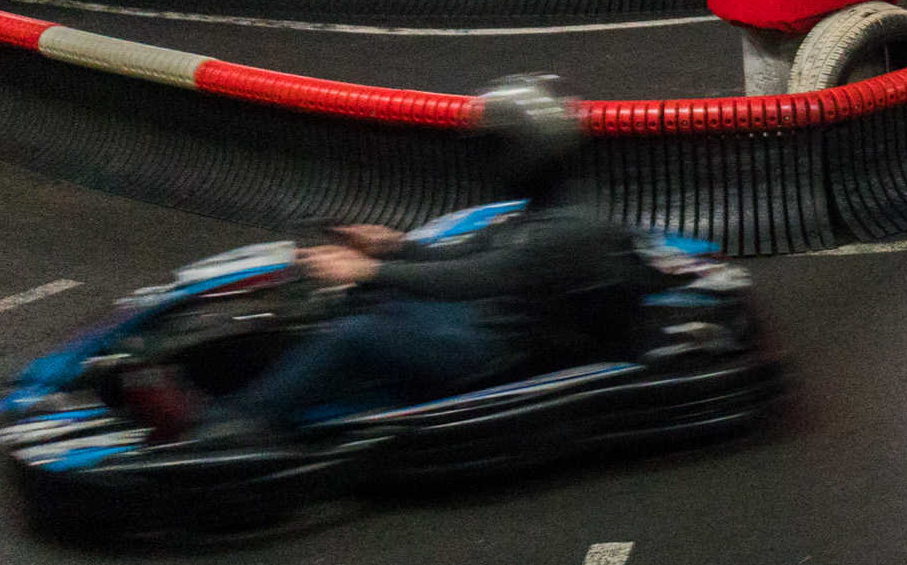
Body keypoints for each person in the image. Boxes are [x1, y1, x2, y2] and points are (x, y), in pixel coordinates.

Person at [149, 75, 647, 442]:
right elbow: (466, 258)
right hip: (487, 321)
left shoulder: (569, 229)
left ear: (525, 152)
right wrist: (392, 247)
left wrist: (372, 268)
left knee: (358, 334)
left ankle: (234, 424)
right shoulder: (548, 209)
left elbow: (475, 277)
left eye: (496, 149)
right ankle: (260, 385)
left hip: (498, 350)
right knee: (362, 300)